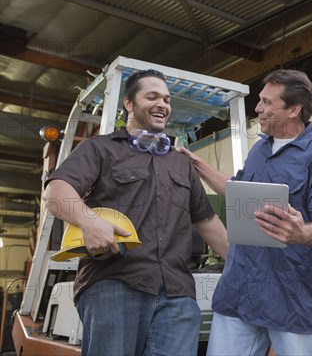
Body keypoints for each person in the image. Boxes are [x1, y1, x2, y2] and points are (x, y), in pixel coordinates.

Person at [43, 69, 229, 356]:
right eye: (152, 96)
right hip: (116, 285)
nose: (162, 105)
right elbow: (56, 193)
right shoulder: (101, 149)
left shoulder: (180, 164)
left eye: (167, 99)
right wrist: (89, 222)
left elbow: (206, 220)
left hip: (178, 295)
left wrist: (244, 265)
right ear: (129, 103)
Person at [177, 69, 312, 355]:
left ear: (294, 109)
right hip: (241, 288)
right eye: (260, 100)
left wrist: (301, 233)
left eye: (268, 103)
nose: (258, 108)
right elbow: (236, 190)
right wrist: (196, 165)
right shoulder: (259, 149)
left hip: (291, 296)